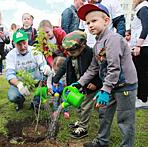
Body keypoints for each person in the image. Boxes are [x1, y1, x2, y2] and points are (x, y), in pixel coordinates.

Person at [76, 4, 138, 147]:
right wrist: (80, 82)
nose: (90, 25)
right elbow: (93, 67)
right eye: (88, 23)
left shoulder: (113, 39)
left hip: (124, 85)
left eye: (94, 21)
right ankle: (102, 142)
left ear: (106, 20)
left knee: (125, 119)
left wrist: (104, 89)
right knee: (103, 113)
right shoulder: (98, 43)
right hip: (109, 86)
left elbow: (114, 67)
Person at [52, 31, 102, 139]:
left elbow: (98, 69)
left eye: (73, 51)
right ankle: (80, 122)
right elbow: (63, 68)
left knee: (85, 106)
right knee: (78, 105)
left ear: (82, 46)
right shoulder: (70, 56)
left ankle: (83, 128)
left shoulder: (90, 54)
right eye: (69, 51)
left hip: (90, 86)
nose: (70, 54)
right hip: (78, 85)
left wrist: (96, 83)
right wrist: (55, 79)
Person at [6, 30, 47, 112]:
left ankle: (35, 102)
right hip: (21, 82)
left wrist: (46, 69)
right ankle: (20, 101)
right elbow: (10, 75)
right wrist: (19, 84)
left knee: (42, 86)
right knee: (13, 96)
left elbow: (43, 67)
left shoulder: (35, 51)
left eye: (24, 43)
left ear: (28, 41)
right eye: (19, 44)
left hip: (36, 82)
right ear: (14, 44)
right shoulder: (10, 55)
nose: (22, 46)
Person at [131, 0, 148, 104]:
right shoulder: (143, 8)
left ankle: (142, 99)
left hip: (143, 46)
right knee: (142, 73)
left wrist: (138, 45)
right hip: (143, 46)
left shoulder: (143, 8)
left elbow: (146, 27)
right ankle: (142, 97)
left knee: (142, 73)